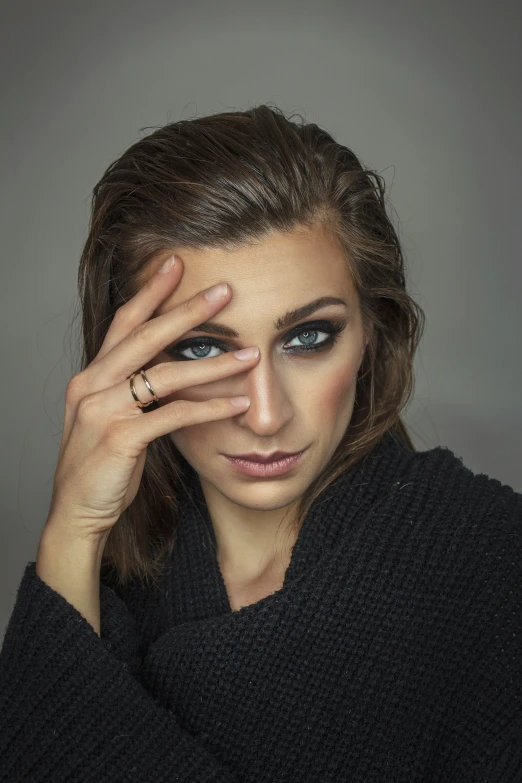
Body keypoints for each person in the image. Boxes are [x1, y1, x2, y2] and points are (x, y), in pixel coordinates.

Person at [0, 104, 520, 782]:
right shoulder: (98, 592)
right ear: (128, 363)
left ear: (373, 332)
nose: (266, 415)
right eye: (203, 349)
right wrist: (72, 532)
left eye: (308, 338)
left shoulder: (495, 566)